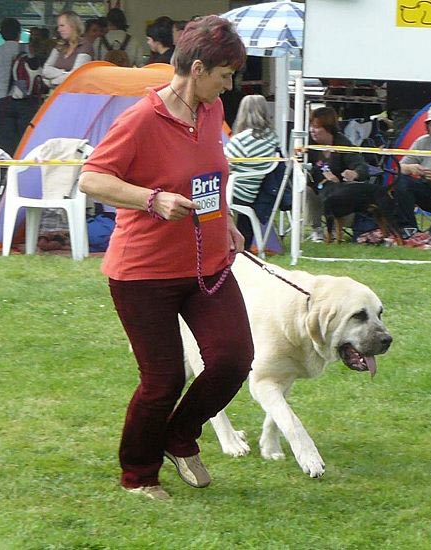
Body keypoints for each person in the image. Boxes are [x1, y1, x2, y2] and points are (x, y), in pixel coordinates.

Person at [79, 15, 252, 501]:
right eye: (225, 74)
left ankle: (179, 437)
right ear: (197, 68)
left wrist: (229, 222)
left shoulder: (212, 109)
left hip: (208, 264)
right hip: (144, 273)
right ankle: (139, 474)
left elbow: (209, 176)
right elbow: (92, 179)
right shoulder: (138, 120)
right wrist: (152, 199)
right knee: (164, 379)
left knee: (234, 358)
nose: (230, 84)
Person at [224, 94, 280, 248]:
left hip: (236, 192)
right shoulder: (272, 138)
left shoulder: (242, 140)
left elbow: (223, 167)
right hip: (254, 192)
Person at [306, 106, 369, 242]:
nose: (312, 130)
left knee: (348, 190)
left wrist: (354, 173)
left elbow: (362, 167)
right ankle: (317, 230)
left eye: (316, 127)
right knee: (307, 191)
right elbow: (299, 169)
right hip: (317, 192)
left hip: (339, 196)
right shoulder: (308, 145)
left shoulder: (343, 144)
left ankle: (335, 228)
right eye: (311, 126)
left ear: (328, 128)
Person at [0, 18, 40, 156]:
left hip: (1, 101)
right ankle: (24, 173)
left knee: (6, 145)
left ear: (1, 34)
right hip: (26, 101)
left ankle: (8, 174)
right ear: (19, 33)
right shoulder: (28, 49)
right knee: (27, 143)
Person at [394, 104, 431, 241]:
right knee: (402, 182)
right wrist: (412, 168)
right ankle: (409, 229)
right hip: (428, 191)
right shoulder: (422, 142)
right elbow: (399, 167)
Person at [42, 11, 94, 90]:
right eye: (59, 26)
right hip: (57, 95)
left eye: (62, 26)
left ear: (73, 26)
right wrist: (64, 73)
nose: (59, 29)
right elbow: (45, 70)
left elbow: (76, 76)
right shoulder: (59, 46)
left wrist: (51, 82)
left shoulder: (85, 46)